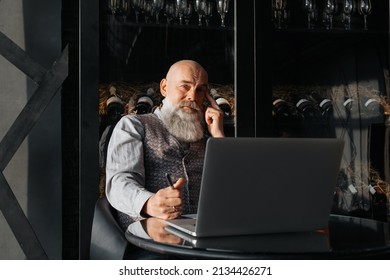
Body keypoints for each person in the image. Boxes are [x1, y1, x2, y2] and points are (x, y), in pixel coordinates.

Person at [105, 60, 225, 230]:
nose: (192, 96)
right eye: (185, 86)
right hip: (150, 239)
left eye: (200, 90)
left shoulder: (209, 137)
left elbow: (234, 190)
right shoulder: (134, 125)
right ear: (164, 88)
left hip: (205, 237)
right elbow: (119, 182)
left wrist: (219, 136)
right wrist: (149, 203)